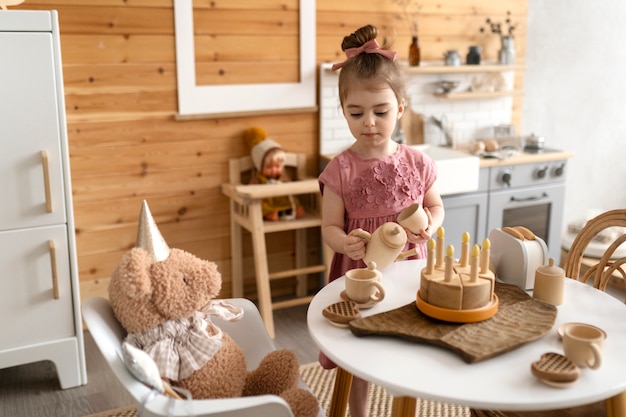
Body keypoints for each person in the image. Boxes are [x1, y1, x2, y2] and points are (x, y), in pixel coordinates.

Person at [317, 24, 444, 417]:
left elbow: (436, 207)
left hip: (408, 270)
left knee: (406, 344)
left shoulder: (418, 163)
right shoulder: (341, 169)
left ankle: (404, 408)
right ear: (344, 112)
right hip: (360, 272)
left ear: (400, 108)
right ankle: (358, 413)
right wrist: (344, 243)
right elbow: (330, 228)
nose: (369, 122)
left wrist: (430, 227)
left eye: (381, 112)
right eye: (356, 113)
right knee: (361, 352)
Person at [244, 127, 305, 221]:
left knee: (294, 202)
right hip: (268, 202)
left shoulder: (283, 177)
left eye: (277, 166)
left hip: (283, 200)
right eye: (268, 167)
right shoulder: (258, 179)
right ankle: (270, 214)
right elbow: (250, 189)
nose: (273, 170)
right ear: (259, 167)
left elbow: (290, 187)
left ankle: (293, 211)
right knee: (260, 206)